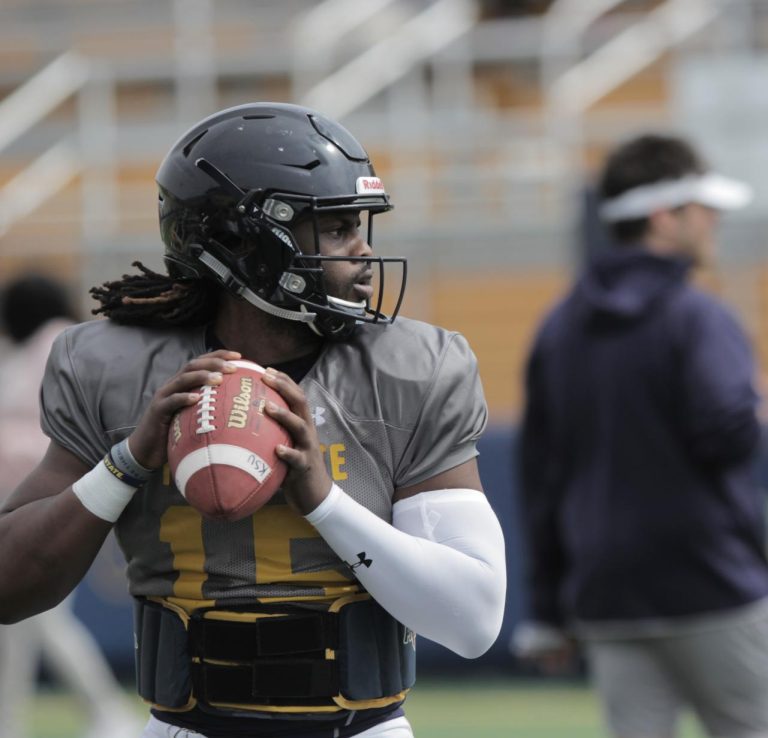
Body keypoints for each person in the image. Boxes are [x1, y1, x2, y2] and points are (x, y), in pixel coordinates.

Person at [0, 103, 507, 738]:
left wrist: (324, 501)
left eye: (361, 225)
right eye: (338, 227)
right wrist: (126, 463)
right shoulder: (115, 366)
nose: (364, 251)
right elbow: (8, 585)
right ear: (245, 243)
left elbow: (473, 620)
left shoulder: (412, 368)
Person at [511, 134, 768, 738]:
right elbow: (729, 436)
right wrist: (758, 407)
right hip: (713, 583)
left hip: (607, 594)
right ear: (664, 216)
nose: (716, 220)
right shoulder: (697, 316)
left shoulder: (559, 328)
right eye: (704, 208)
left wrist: (549, 607)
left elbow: (540, 478)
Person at [0, 274, 143, 738]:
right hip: (24, 500)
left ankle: (107, 712)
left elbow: (48, 433)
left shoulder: (57, 342)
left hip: (40, 500)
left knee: (41, 621)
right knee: (19, 626)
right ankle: (14, 721)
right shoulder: (33, 349)